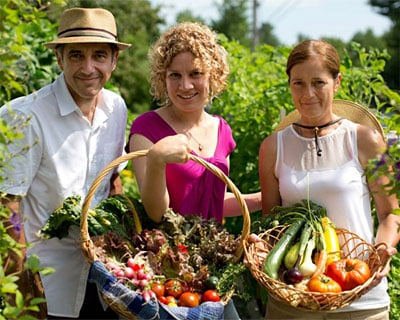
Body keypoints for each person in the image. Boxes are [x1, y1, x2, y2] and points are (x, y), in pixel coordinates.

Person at [0, 7, 131, 319]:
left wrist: (118, 239)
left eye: (99, 55)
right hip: (46, 284)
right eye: (75, 55)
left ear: (114, 60)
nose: (88, 68)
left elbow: (113, 178)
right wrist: (20, 281)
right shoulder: (24, 117)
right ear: (59, 58)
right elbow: (6, 204)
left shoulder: (116, 108)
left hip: (102, 281)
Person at [127, 22, 261, 319]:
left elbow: (211, 203)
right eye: (175, 75)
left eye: (195, 74)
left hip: (212, 267)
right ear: (162, 78)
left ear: (213, 74)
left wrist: (263, 199)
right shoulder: (147, 129)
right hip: (168, 270)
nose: (185, 86)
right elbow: (156, 212)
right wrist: (158, 159)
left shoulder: (221, 130)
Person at [258, 39, 400, 319]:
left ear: (337, 82)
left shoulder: (367, 139)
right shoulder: (272, 147)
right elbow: (271, 223)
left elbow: (391, 213)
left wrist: (383, 249)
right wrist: (260, 245)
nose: (308, 93)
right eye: (298, 83)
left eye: (318, 82)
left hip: (360, 295)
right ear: (289, 85)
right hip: (295, 295)